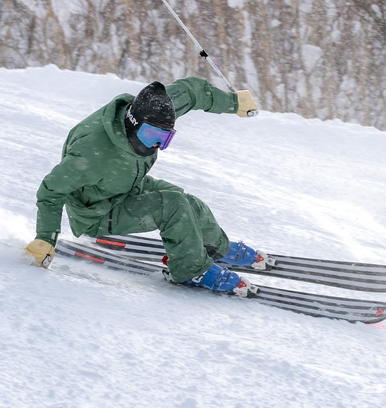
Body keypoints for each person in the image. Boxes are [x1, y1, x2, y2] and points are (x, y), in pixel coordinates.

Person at [23, 77, 269, 295]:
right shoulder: (92, 154)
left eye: (165, 139)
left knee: (190, 203)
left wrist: (232, 102)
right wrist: (45, 238)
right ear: (132, 122)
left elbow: (192, 91)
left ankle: (216, 247)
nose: (156, 146)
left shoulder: (156, 110)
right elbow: (51, 191)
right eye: (152, 137)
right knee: (174, 206)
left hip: (127, 183)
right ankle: (191, 270)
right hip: (96, 212)